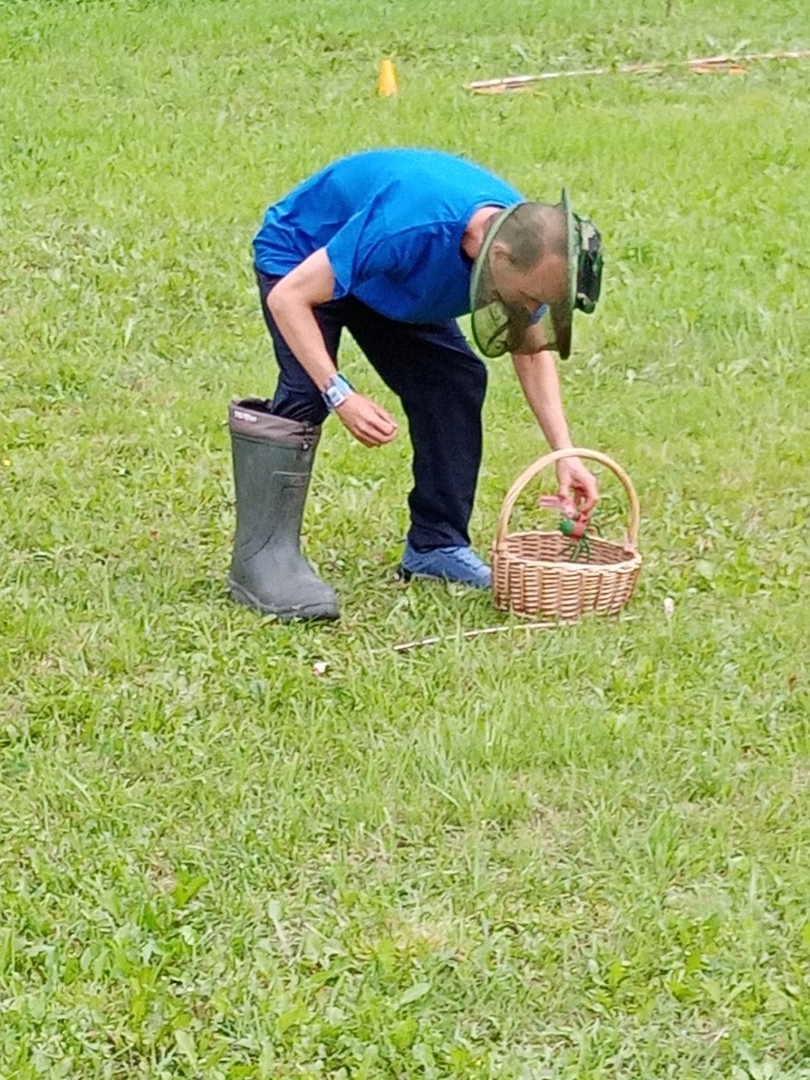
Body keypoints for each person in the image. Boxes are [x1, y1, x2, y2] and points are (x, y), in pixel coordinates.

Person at [227, 148, 604, 622]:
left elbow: (529, 348)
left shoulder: (531, 247)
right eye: (529, 298)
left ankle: (436, 544)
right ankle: (262, 560)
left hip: (385, 277)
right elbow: (289, 298)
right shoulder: (412, 225)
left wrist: (563, 452)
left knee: (453, 379)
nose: (530, 310)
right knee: (306, 394)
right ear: (499, 255)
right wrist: (339, 391)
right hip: (303, 257)